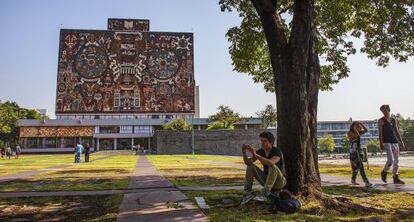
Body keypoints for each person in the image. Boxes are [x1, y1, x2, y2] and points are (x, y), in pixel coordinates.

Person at [240, 131, 286, 205]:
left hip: (279, 182)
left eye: (265, 141)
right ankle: (247, 193)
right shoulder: (260, 152)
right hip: (267, 180)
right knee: (250, 167)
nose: (262, 143)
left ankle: (264, 194)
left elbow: (271, 162)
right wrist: (244, 153)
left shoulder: (277, 151)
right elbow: (248, 163)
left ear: (271, 142)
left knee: (272, 166)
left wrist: (256, 155)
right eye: (261, 141)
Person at [378, 104, 405, 184]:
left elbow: (397, 131)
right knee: (390, 159)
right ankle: (384, 172)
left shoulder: (393, 120)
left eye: (385, 110)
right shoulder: (381, 120)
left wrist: (401, 142)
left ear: (389, 110)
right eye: (382, 111)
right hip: (386, 141)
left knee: (397, 161)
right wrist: (381, 143)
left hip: (395, 141)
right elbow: (380, 133)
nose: (384, 112)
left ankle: (395, 177)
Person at [347, 121, 372, 187]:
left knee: (357, 167)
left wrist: (361, 124)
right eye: (357, 126)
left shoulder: (359, 132)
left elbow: (366, 130)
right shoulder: (350, 133)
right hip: (354, 152)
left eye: (359, 126)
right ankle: (366, 182)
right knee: (360, 167)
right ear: (353, 126)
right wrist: (355, 128)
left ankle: (353, 180)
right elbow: (356, 135)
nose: (359, 127)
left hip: (359, 151)